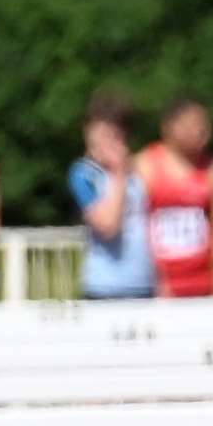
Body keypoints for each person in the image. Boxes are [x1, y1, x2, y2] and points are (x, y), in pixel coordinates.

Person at [136, 97, 213, 297]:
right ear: (168, 127)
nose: (200, 131)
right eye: (191, 124)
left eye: (203, 124)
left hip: (202, 285)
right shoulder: (144, 167)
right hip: (155, 286)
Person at [68, 93, 155, 300]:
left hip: (145, 283)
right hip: (105, 287)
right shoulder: (84, 175)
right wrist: (118, 173)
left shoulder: (140, 170)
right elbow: (108, 225)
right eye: (102, 134)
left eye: (115, 136)